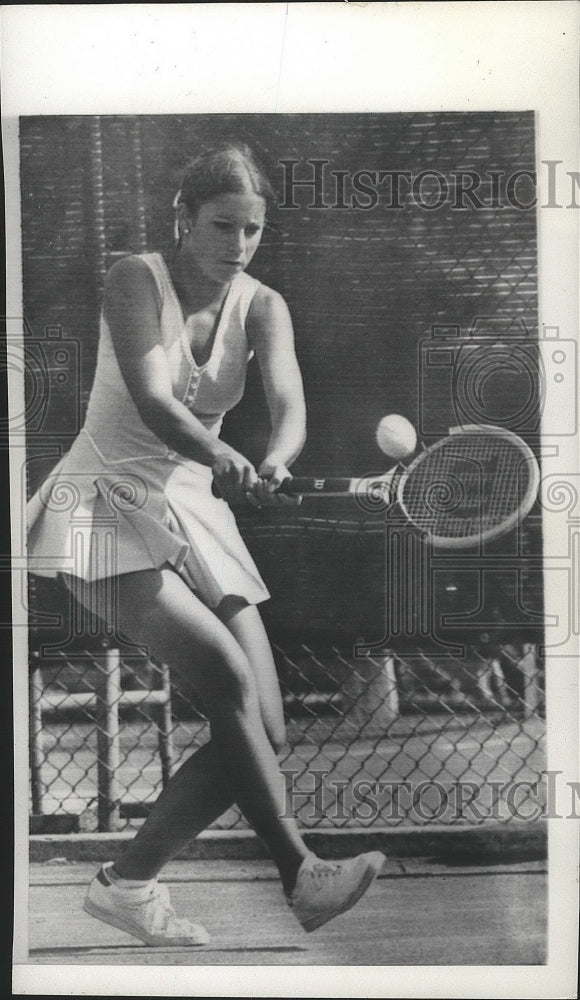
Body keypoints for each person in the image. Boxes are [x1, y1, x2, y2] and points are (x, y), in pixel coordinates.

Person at [27, 143, 385, 946]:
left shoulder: (263, 305)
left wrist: (275, 458)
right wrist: (219, 453)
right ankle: (302, 873)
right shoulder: (132, 279)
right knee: (224, 675)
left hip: (194, 506)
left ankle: (128, 884)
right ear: (183, 219)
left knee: (265, 726)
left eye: (253, 231)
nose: (239, 245)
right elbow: (155, 401)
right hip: (101, 500)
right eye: (223, 226)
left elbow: (289, 403)